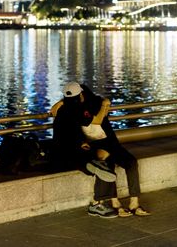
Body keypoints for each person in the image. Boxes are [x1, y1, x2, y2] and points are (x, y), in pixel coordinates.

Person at [50, 82, 150, 217]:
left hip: (110, 143)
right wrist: (60, 103)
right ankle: (116, 203)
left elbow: (98, 116)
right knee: (106, 165)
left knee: (131, 162)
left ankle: (134, 203)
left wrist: (104, 105)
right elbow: (56, 109)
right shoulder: (73, 109)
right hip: (95, 146)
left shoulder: (96, 103)